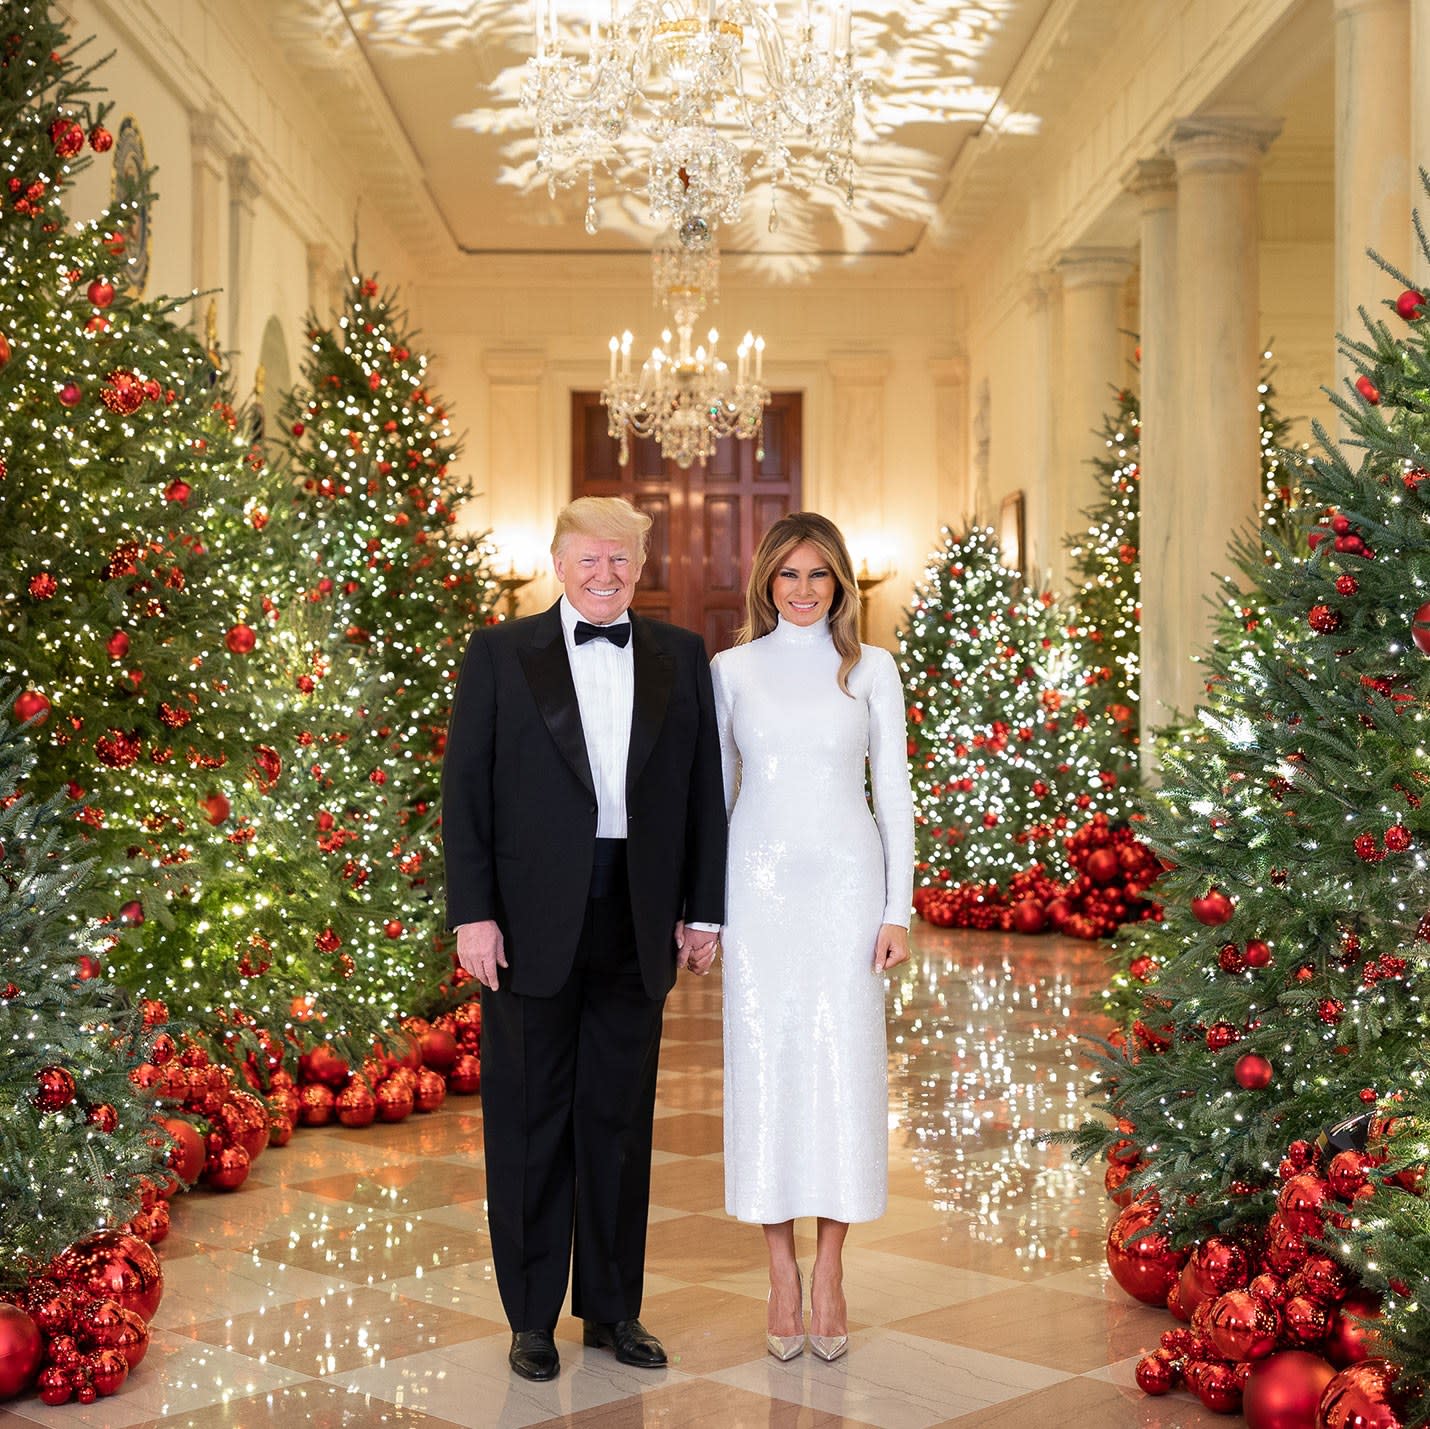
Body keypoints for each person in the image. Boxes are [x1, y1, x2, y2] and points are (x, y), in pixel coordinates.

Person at [442, 496, 726, 1383]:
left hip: (636, 917)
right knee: (528, 1121)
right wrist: (473, 913)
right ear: (558, 562)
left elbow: (701, 792)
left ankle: (611, 1308)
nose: (605, 575)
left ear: (640, 567)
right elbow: (467, 793)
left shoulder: (682, 656)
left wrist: (703, 907)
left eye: (621, 561)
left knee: (617, 1121)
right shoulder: (499, 653)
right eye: (588, 560)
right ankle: (531, 1317)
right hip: (525, 924)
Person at [711, 511, 913, 1363]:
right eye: (788, 575)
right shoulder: (729, 669)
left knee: (841, 1071)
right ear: (766, 581)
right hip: (755, 890)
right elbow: (714, 798)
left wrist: (897, 906)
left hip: (845, 890)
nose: (802, 590)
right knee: (765, 1068)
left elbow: (894, 793)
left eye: (818, 575)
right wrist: (704, 912)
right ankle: (779, 1273)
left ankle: (830, 1269)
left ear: (839, 584)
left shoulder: (873, 669)